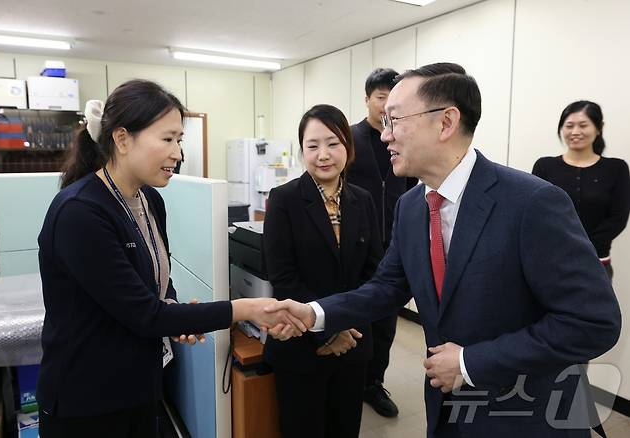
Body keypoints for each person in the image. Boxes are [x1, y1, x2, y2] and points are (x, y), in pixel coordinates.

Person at [265, 63, 621, 438]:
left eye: (394, 120)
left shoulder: (532, 203)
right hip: (447, 407)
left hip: (523, 414)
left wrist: (469, 362)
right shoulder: (412, 206)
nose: (384, 136)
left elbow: (593, 323)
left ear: (446, 122)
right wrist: (313, 313)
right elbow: (387, 287)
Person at [36, 79, 305, 438]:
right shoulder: (80, 212)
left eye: (180, 140)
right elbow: (145, 315)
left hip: (138, 384)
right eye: (167, 139)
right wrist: (246, 309)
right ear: (122, 138)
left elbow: (155, 281)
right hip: (87, 400)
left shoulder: (150, 200)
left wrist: (175, 307)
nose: (178, 153)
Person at [263, 104, 383, 438]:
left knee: (345, 428)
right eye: (312, 146)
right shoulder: (284, 200)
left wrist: (345, 328)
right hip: (301, 345)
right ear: (302, 151)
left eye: (332, 143)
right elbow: (283, 278)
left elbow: (374, 273)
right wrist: (331, 328)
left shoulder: (364, 200)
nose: (323, 154)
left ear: (348, 146)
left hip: (353, 343)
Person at [347, 67, 418, 417]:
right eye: (380, 98)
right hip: (355, 246)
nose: (386, 106)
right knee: (355, 319)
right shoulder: (349, 137)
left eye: (393, 100)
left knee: (385, 326)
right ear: (367, 99)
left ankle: (373, 384)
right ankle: (350, 382)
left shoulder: (404, 138)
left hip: (392, 246)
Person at [532, 101, 630, 280]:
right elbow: (536, 214)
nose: (575, 131)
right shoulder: (544, 166)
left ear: (599, 127)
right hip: (551, 262)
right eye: (569, 126)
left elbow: (618, 218)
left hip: (597, 263)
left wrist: (584, 247)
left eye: (583, 125)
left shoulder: (617, 168)